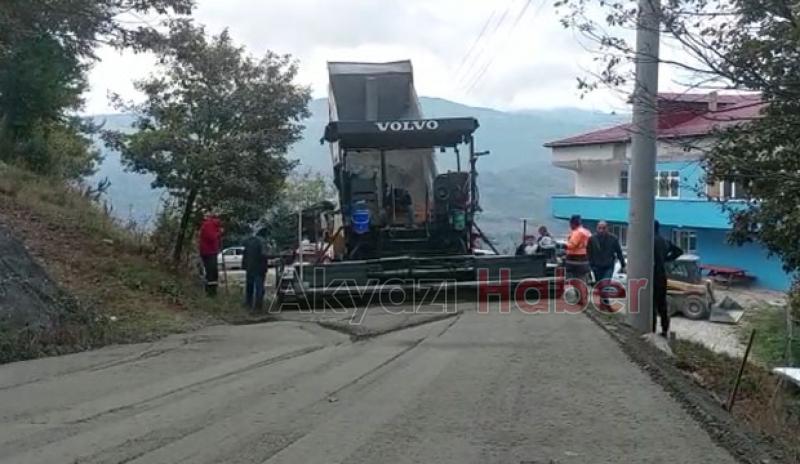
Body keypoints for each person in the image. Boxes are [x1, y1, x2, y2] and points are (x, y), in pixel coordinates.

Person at [653, 220, 683, 336]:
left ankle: (652, 329)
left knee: (651, 304)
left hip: (650, 274)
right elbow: (679, 251)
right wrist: (666, 259)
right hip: (661, 275)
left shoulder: (648, 240)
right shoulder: (664, 241)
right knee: (662, 304)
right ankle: (665, 329)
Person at [242, 227, 270, 311]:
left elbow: (245, 254)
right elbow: (264, 254)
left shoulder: (248, 241)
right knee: (259, 288)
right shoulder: (262, 242)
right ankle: (258, 307)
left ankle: (248, 304)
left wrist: (244, 265)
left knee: (249, 287)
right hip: (259, 268)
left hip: (249, 267)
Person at [198, 213, 223, 297]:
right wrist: (219, 232)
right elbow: (211, 237)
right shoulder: (209, 225)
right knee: (211, 272)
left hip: (210, 251)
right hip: (209, 252)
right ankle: (210, 292)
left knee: (212, 272)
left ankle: (212, 291)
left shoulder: (211, 225)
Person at [564, 215, 592, 281]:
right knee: (582, 281)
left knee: (571, 282)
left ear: (573, 223)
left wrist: (564, 245)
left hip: (574, 261)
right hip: (585, 260)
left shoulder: (577, 232)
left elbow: (572, 245)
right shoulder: (587, 232)